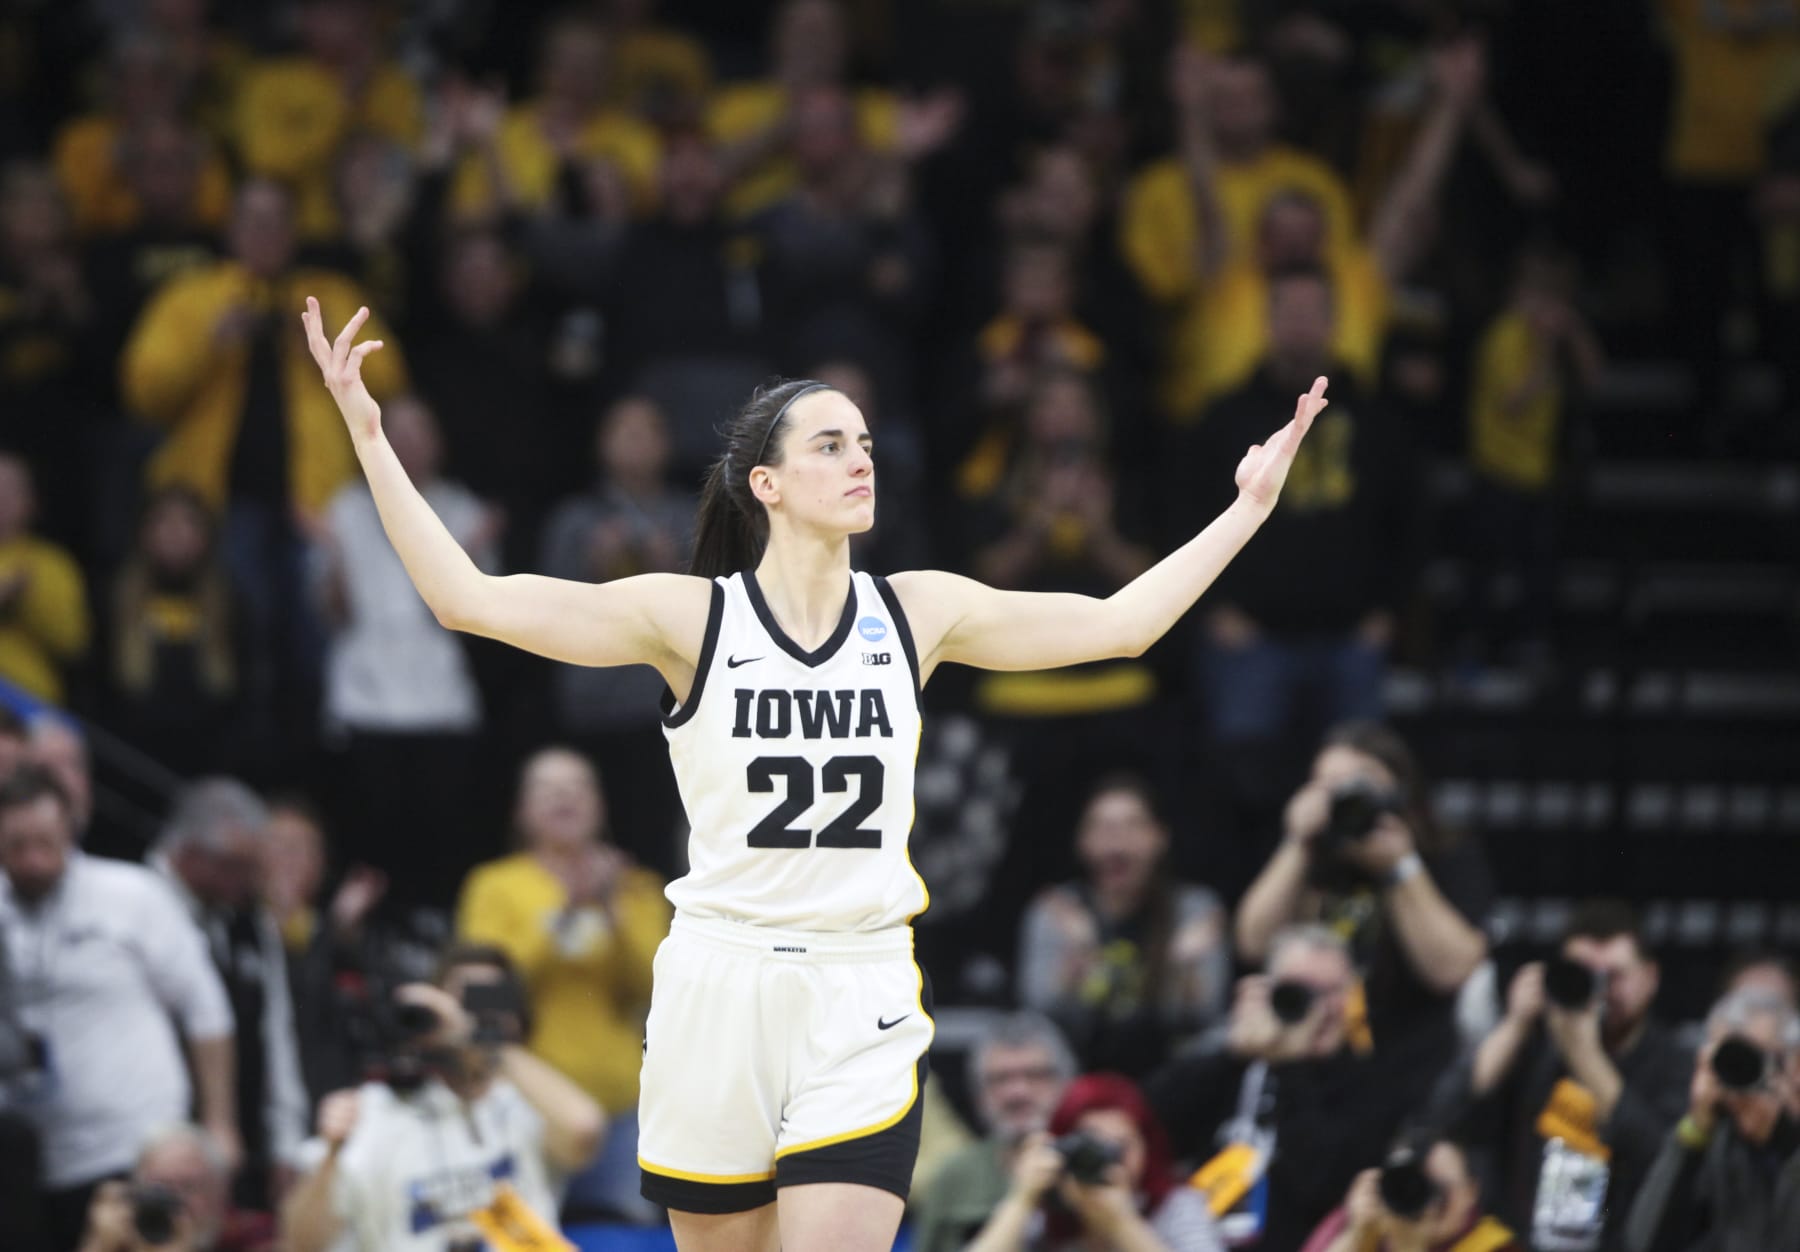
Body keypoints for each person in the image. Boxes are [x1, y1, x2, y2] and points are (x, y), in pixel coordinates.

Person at [300, 284, 1328, 1252]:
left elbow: (1121, 625)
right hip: (721, 981)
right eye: (830, 444)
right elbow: (468, 600)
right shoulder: (691, 617)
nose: (859, 460)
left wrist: (1245, 508)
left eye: (865, 443)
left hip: (859, 981)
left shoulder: (916, 610)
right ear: (768, 483)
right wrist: (370, 436)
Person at [0, 765, 239, 1250]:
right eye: (16, 846)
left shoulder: (131, 894)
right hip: (41, 1157)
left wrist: (220, 1122)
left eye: (45, 843)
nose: (33, 861)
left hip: (139, 1143)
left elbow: (206, 1008)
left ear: (72, 831)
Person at [455, 746, 670, 1222]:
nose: (563, 797)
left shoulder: (636, 887)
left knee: (623, 1237)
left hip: (624, 1110)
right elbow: (484, 993)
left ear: (600, 805)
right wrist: (566, 908)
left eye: (577, 787)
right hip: (522, 1108)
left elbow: (659, 991)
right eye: (547, 788)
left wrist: (613, 913)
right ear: (521, 810)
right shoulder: (494, 885)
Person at [279, 943, 605, 1252]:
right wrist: (332, 1155)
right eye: (464, 1001)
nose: (474, 1015)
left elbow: (583, 1128)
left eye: (492, 1000)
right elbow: (300, 1242)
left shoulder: (530, 1101)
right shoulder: (376, 1109)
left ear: (517, 1018)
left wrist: (484, 1041)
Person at [1235, 723, 1492, 1107]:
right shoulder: (1310, 859)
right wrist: (1296, 844)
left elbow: (1453, 970)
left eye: (1360, 783)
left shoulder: (1445, 854)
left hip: (1407, 1071)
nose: (1343, 796)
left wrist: (1400, 866)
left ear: (1400, 790)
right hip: (1309, 1069)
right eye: (1327, 786)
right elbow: (1254, 943)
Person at [317, 393, 498, 907]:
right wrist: (332, 559)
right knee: (369, 827)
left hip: (439, 694)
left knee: (440, 829)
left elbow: (484, 616)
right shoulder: (344, 509)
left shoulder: (463, 508)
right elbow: (331, 613)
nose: (409, 444)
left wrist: (474, 557)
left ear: (438, 443)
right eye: (397, 430)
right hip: (364, 693)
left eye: (420, 433)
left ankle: (433, 918)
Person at [1145, 925, 1403, 1252]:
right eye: (1300, 992)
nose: (1320, 1008)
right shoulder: (1232, 1064)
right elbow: (1148, 1122)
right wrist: (1231, 1052)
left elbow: (1323, 1183)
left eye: (1333, 992)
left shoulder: (1372, 1085)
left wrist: (1290, 1067)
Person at [1459, 901, 1691, 1251]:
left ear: (1650, 977)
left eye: (1614, 976)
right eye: (1583, 974)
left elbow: (1662, 1161)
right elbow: (1454, 1115)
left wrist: (1584, 1054)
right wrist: (1514, 1024)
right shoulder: (1535, 1047)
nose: (1599, 992)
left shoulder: (1675, 1062)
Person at [538, 396, 695, 876]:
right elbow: (543, 605)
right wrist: (591, 568)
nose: (635, 443)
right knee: (598, 833)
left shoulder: (691, 517)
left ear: (666, 444)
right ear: (602, 444)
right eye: (623, 432)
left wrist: (674, 568)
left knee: (669, 836)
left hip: (673, 702)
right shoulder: (576, 520)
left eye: (646, 432)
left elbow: (722, 603)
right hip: (595, 702)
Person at [150, 778, 309, 1212]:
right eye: (238, 866)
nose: (251, 881)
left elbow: (276, 1032)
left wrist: (286, 1143)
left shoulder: (249, 921)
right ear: (192, 854)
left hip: (243, 1145)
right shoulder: (135, 908)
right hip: (163, 1149)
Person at [1019, 774, 1230, 1076]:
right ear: (1082, 842)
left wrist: (1183, 967)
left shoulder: (1193, 910)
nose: (1117, 841)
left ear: (1160, 838)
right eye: (1103, 827)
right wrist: (1077, 959)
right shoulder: (1058, 910)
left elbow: (1204, 1017)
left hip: (1171, 1074)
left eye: (1132, 826)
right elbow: (1038, 1016)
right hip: (1080, 1075)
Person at [1623, 988, 1800, 1252]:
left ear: (1795, 1064)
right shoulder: (1714, 1137)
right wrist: (1694, 1132)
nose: (1743, 1072)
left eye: (1757, 1057)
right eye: (1730, 1059)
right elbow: (1644, 1241)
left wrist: (1787, 1141)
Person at [967, 1071, 1224, 1251]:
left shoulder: (1175, 1206)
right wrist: (1021, 1199)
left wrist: (1122, 1223)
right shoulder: (1046, 1209)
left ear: (1146, 1148)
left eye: (1119, 1146)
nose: (1105, 1160)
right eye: (1091, 1145)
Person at [102, 486, 244, 777]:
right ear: (143, 534)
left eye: (188, 522)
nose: (175, 532)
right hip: (134, 767)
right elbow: (101, 693)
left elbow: (245, 695)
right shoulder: (114, 599)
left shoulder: (231, 602)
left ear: (206, 537)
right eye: (163, 521)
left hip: (211, 766)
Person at [912, 1011, 1078, 1252]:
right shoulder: (954, 1176)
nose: (1017, 1092)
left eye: (1035, 1075)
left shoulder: (1089, 1160)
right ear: (979, 1096)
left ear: (1066, 1084)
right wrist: (1022, 1196)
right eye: (1000, 1079)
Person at [1299, 1136, 1520, 1252]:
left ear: (1471, 1191)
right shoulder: (1368, 1216)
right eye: (1412, 1185)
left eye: (1441, 1190)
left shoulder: (1496, 1247)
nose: (1428, 1202)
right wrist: (1356, 1234)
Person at [77, 1123, 275, 1252]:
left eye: (189, 1186)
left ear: (221, 1190)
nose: (175, 1199)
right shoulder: (126, 1238)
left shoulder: (254, 1236)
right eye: (160, 1187)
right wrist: (97, 1244)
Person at [0, 451, 92, 705]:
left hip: (30, 707)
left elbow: (73, 641)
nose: (1, 499)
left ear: (31, 502)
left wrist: (26, 599)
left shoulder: (52, 564)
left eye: (11, 490)